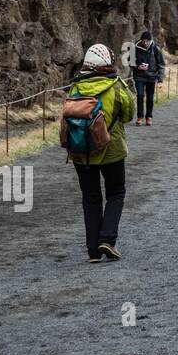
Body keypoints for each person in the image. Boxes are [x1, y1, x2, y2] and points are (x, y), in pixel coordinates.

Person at [68, 44, 136, 263]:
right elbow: (128, 115)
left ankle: (93, 251)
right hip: (111, 150)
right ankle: (107, 239)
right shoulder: (116, 86)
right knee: (116, 193)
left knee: (91, 198)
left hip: (81, 150)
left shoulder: (76, 87)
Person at [132, 31, 165, 127]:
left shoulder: (156, 49)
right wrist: (138, 67)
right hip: (139, 76)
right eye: (144, 41)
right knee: (140, 95)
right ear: (141, 40)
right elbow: (130, 62)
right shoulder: (135, 48)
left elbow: (161, 64)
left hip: (152, 77)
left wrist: (160, 79)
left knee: (150, 98)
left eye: (147, 41)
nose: (145, 43)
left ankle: (149, 117)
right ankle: (139, 117)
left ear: (150, 41)